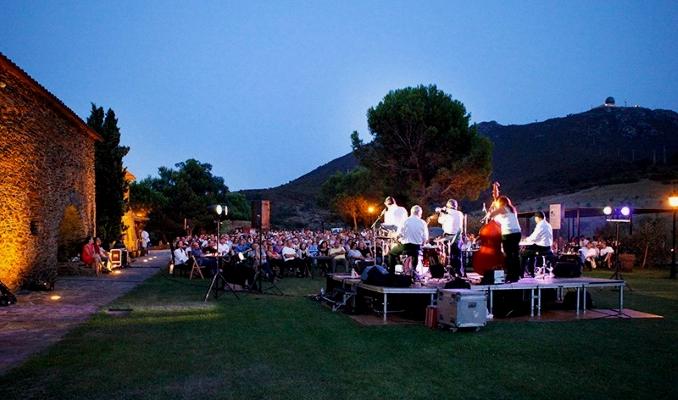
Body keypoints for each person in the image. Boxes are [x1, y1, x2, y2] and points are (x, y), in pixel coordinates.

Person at [487, 195, 522, 282]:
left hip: (508, 233)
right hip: (517, 233)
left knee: (508, 255)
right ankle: (516, 275)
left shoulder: (502, 208)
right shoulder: (512, 210)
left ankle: (510, 276)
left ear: (501, 203)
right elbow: (499, 220)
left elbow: (490, 215)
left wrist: (492, 206)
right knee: (515, 254)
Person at [389, 205, 429, 280]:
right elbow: (425, 238)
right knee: (415, 253)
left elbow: (399, 234)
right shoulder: (423, 222)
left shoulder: (405, 220)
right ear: (420, 213)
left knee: (392, 253)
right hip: (416, 247)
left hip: (406, 246)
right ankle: (413, 272)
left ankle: (393, 273)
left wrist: (397, 237)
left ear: (411, 212)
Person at [520, 211, 554, 277]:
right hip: (548, 248)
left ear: (537, 218)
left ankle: (521, 274)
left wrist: (526, 239)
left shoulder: (540, 225)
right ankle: (531, 272)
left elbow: (534, 237)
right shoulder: (548, 225)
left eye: (535, 218)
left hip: (541, 248)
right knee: (530, 251)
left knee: (522, 253)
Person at [436, 199, 464, 276]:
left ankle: (448, 271)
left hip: (448, 236)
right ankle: (459, 272)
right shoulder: (460, 214)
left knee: (448, 254)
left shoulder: (446, 213)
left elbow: (440, 221)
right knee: (457, 255)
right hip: (458, 236)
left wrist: (442, 212)